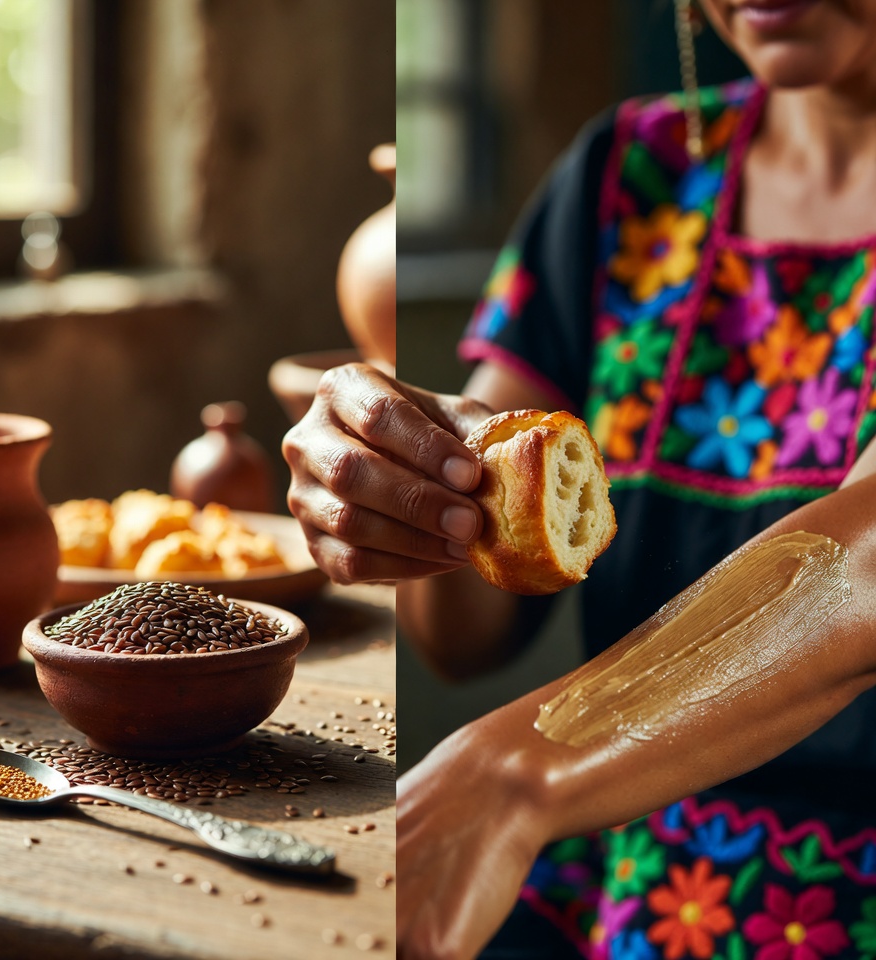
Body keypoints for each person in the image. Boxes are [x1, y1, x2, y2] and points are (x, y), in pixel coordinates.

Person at [282, 1, 876, 957]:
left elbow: (866, 562)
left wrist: (505, 779)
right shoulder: (632, 173)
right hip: (620, 874)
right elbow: (466, 634)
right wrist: (409, 488)